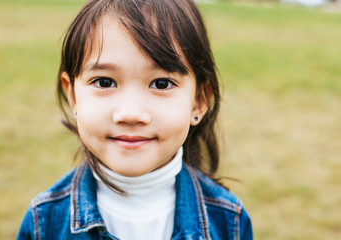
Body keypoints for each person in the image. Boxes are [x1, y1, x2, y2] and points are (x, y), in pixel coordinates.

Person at [17, 0, 253, 239]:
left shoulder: (228, 221)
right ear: (73, 96)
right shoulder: (44, 223)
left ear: (199, 101)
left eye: (161, 83)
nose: (131, 114)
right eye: (104, 82)